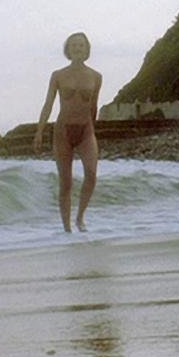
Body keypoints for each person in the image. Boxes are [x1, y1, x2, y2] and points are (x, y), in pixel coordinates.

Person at [33, 32, 103, 233]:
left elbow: (93, 106)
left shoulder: (96, 77)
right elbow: (48, 105)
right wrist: (39, 132)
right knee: (66, 183)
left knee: (91, 175)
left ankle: (80, 217)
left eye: (81, 45)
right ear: (68, 50)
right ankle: (67, 229)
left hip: (86, 131)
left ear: (87, 49)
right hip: (62, 131)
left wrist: (93, 130)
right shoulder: (58, 75)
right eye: (73, 45)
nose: (77, 48)